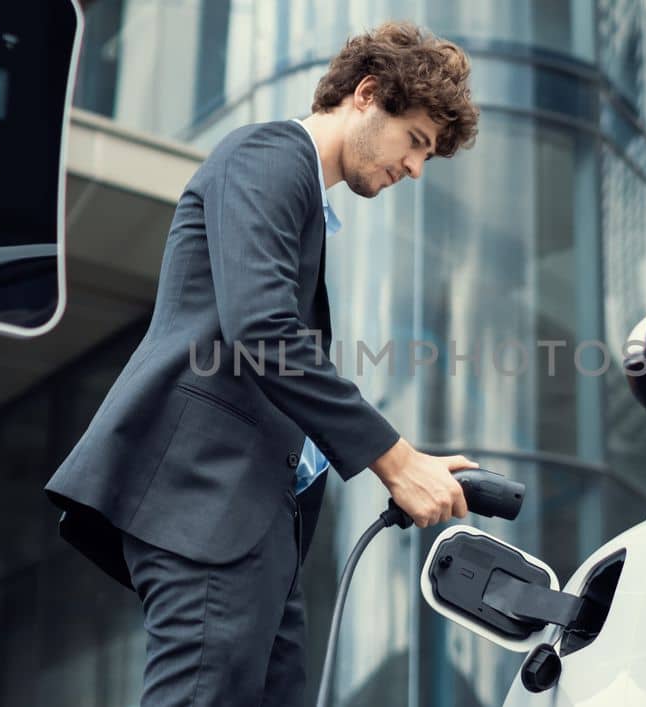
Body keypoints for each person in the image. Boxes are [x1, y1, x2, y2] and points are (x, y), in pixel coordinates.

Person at [43, 20, 481, 707]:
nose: (416, 169)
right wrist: (397, 461)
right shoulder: (270, 154)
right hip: (207, 502)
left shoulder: (299, 193)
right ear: (367, 95)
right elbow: (264, 327)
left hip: (256, 524)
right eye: (416, 142)